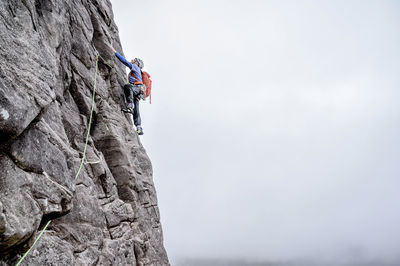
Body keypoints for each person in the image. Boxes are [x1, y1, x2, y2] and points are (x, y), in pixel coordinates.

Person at [110, 47, 145, 135]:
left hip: (136, 88)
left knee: (127, 87)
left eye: (134, 60)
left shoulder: (135, 67)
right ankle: (139, 127)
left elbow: (125, 62)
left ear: (137, 63)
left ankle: (129, 106)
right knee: (136, 110)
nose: (132, 60)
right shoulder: (138, 71)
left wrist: (115, 52)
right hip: (139, 91)